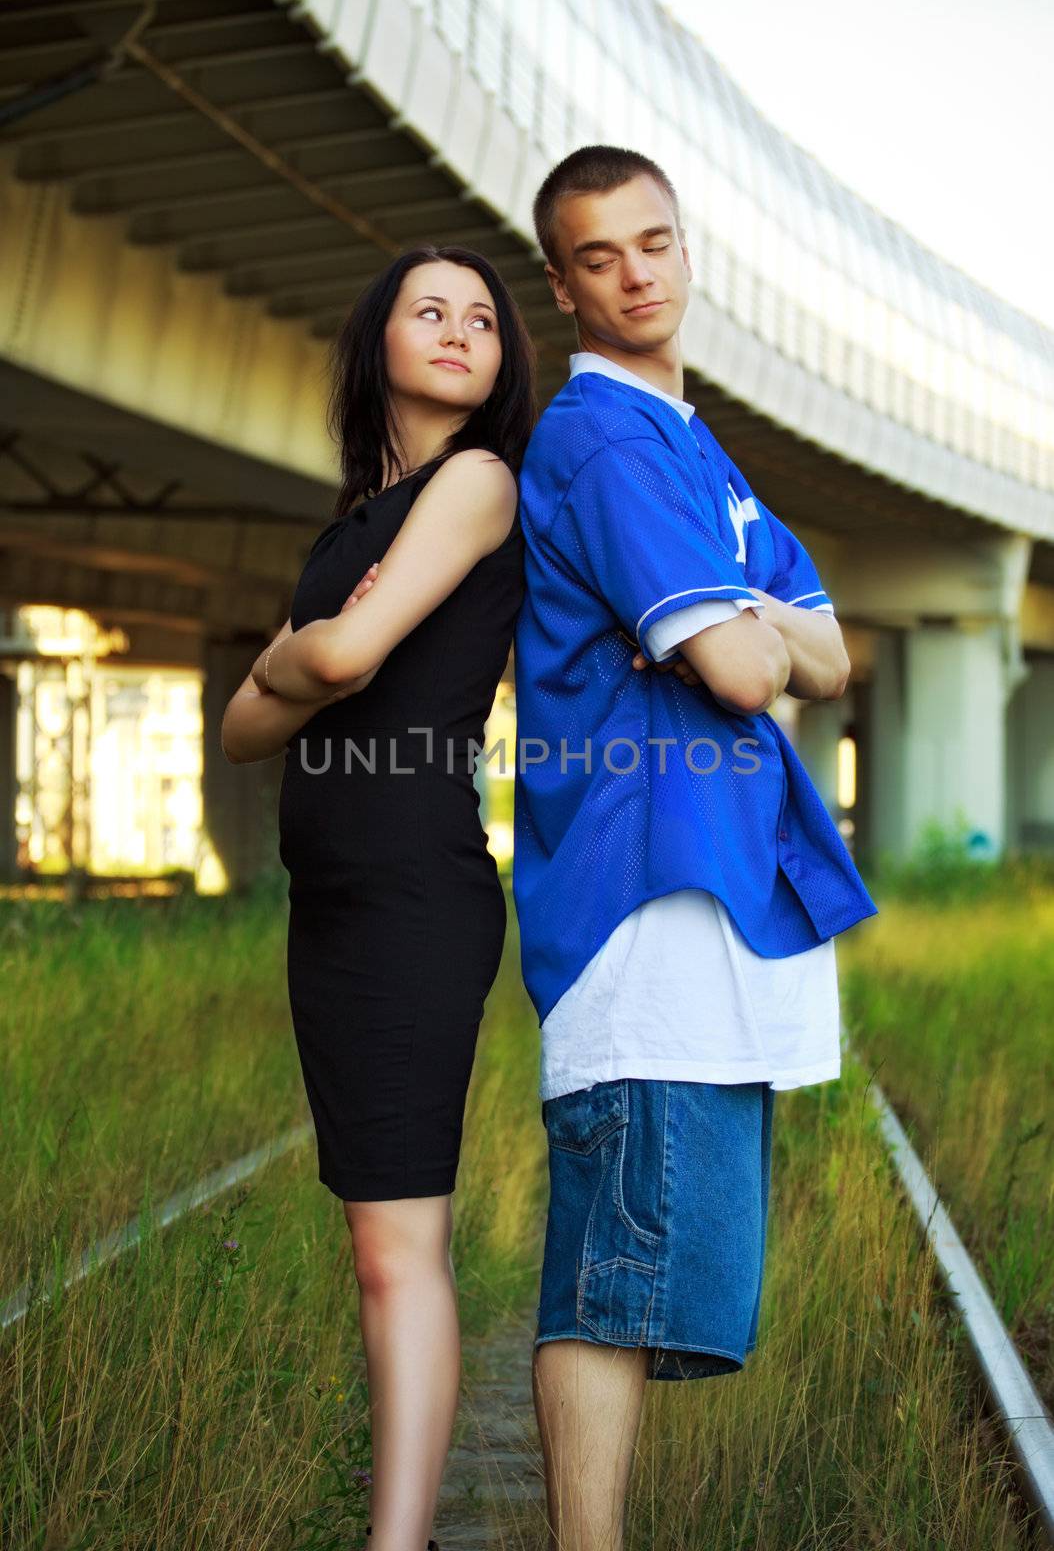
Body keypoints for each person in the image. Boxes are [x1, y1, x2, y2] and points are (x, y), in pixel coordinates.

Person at [512, 145, 880, 1550]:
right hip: (640, 904)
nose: (635, 274)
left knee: (649, 1273)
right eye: (598, 257)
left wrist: (757, 627)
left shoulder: (693, 445)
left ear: (685, 245)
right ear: (561, 285)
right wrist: (755, 625)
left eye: (653, 242)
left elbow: (827, 655)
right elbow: (739, 669)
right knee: (614, 1281)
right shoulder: (601, 441)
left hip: (709, 909)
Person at [220, 244, 537, 1551]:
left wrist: (304, 655)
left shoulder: (476, 483)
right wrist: (312, 662)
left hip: (414, 900)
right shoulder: (347, 526)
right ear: (378, 342)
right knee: (372, 1242)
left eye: (482, 318)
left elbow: (337, 657)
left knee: (401, 1246)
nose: (461, 330)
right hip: (333, 910)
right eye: (430, 311)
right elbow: (242, 731)